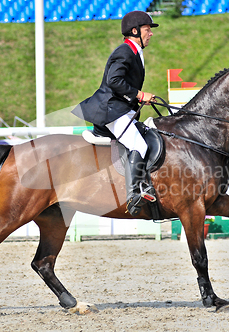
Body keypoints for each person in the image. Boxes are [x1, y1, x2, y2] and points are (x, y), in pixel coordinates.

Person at [72, 11, 159, 216]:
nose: (151, 34)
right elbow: (114, 81)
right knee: (139, 144)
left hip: (120, 109)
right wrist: (139, 94)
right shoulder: (125, 51)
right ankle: (134, 193)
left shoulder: (134, 51)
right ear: (135, 31)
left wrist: (138, 98)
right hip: (111, 110)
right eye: (148, 29)